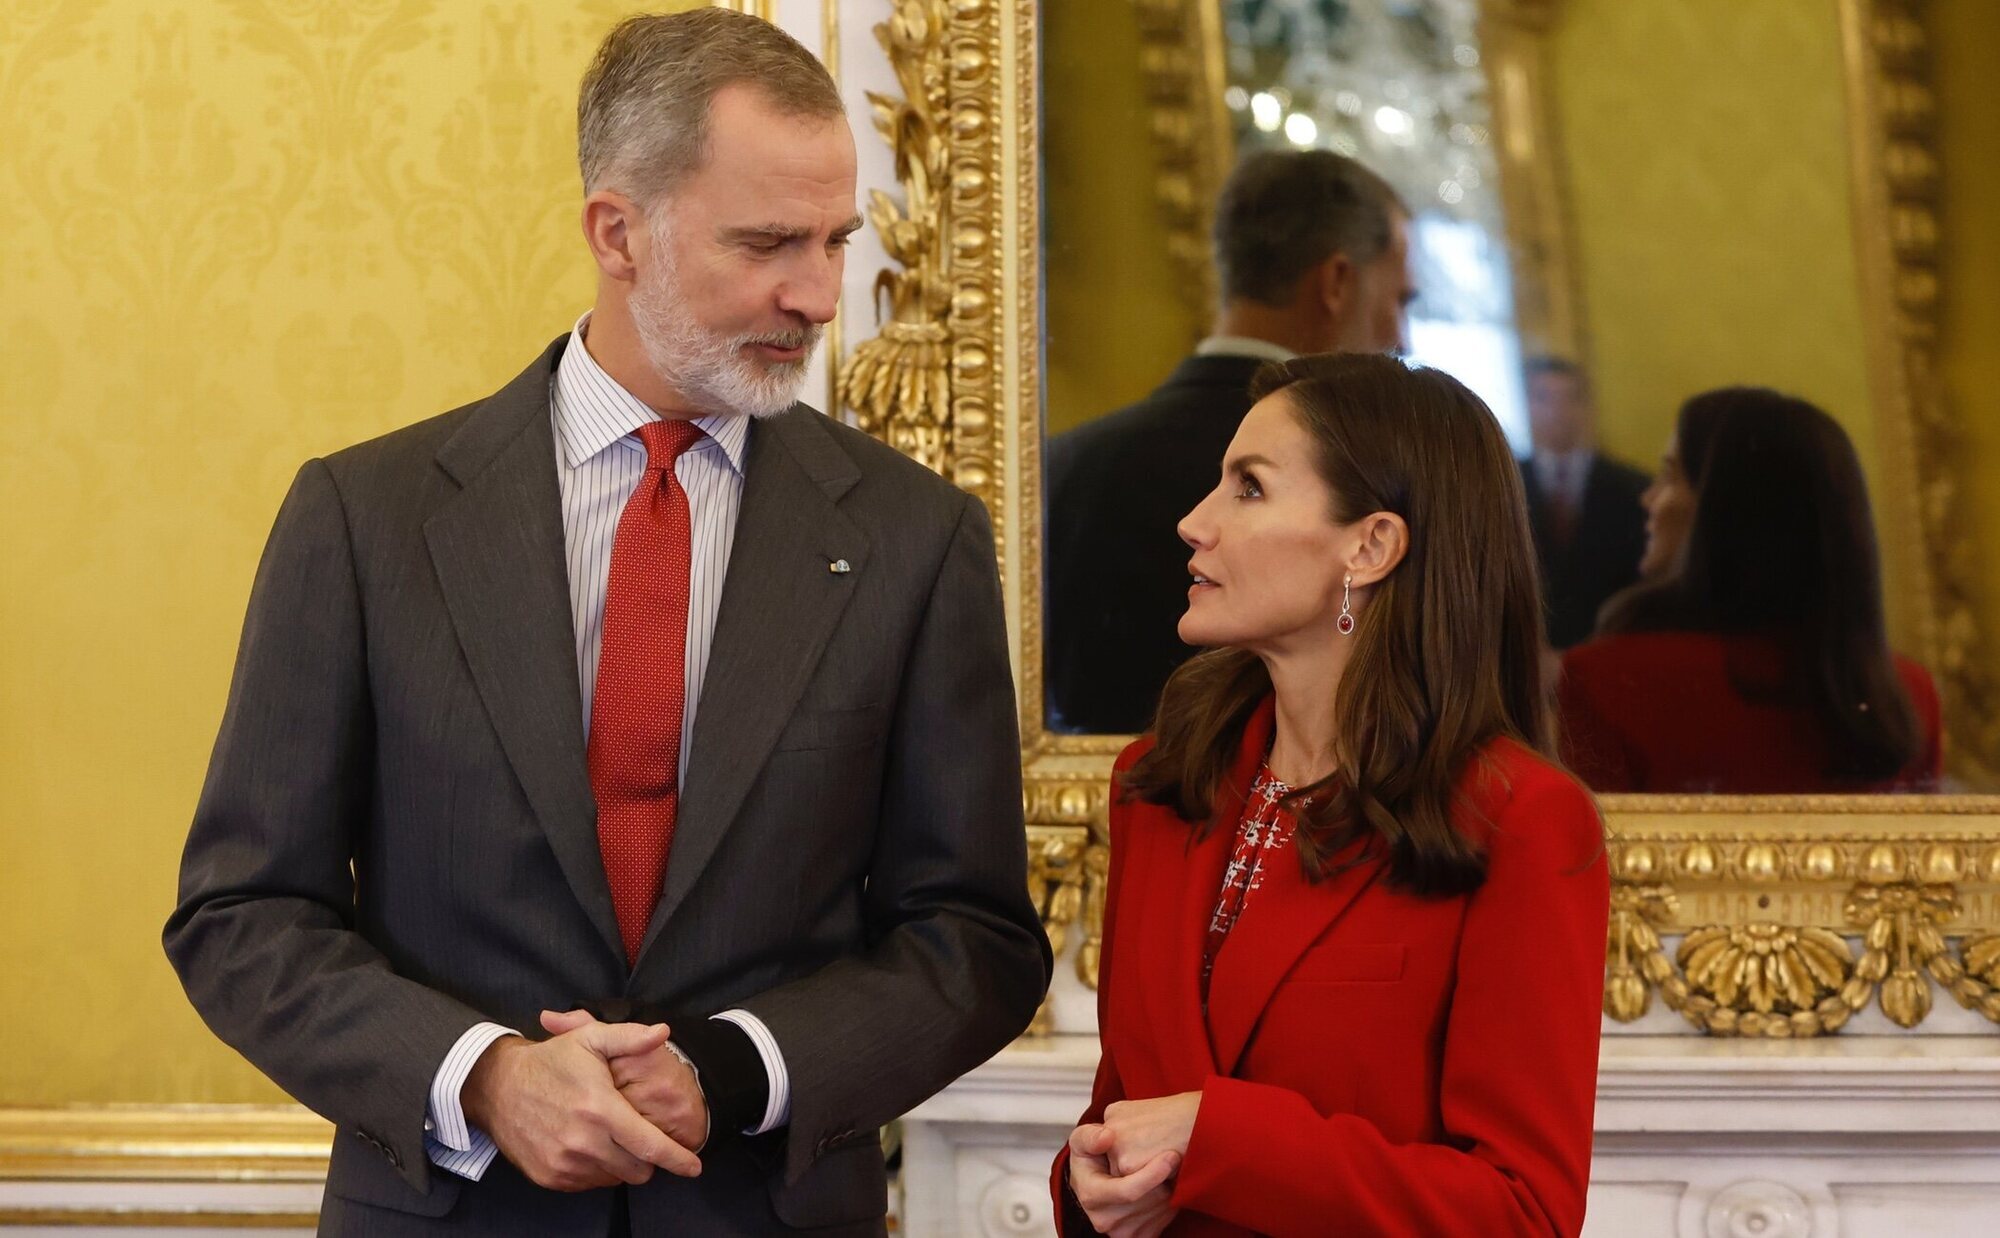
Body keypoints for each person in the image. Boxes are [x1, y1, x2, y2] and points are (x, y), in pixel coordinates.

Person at [164, 11, 1050, 1235]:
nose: (817, 294)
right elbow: (242, 913)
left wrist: (731, 1069)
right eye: (767, 243)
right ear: (617, 232)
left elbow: (976, 936)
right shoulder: (364, 518)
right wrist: (482, 1073)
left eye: (834, 240)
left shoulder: (917, 538)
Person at [1054, 354, 1608, 1236]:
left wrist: (1220, 1141)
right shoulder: (1158, 785)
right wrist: (1089, 1179)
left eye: (1249, 489)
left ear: (1372, 545)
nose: (1195, 522)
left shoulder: (1519, 820)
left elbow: (1523, 1213)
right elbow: (1124, 1110)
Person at [1045, 150, 1414, 735]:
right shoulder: (1365, 469)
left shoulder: (1059, 460)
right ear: (1337, 281)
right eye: (1400, 300)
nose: (1401, 335)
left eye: (1249, 487)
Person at [1559, 387, 1942, 793]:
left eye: (1670, 475)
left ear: (1723, 511)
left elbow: (1588, 852)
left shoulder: (1607, 678)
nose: (1648, 498)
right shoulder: (1909, 694)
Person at [1517, 356, 1650, 648]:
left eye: (1569, 398)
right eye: (1544, 398)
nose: (1557, 411)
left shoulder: (1634, 488)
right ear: (1527, 405)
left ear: (1586, 406)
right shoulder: (1503, 485)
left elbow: (1642, 585)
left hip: (1612, 652)